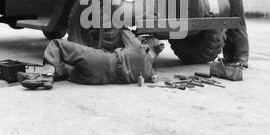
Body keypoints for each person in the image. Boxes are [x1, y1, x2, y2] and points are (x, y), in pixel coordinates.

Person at [17, 30, 164, 90]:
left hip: (101, 62)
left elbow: (124, 32)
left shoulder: (139, 48)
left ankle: (45, 77)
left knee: (57, 45)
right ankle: (36, 74)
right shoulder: (148, 73)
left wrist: (136, 33)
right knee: (65, 68)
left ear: (146, 44)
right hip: (95, 80)